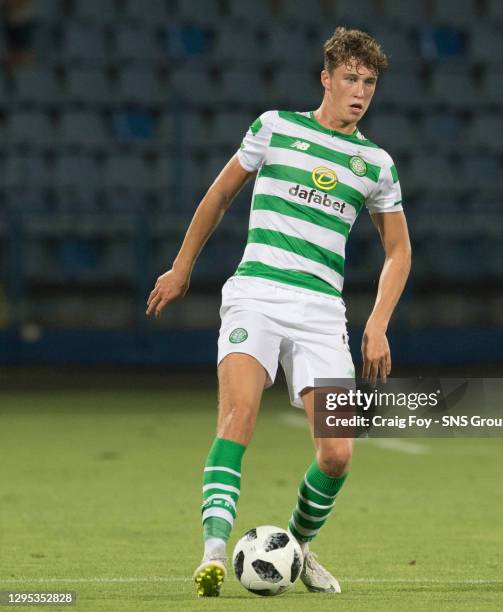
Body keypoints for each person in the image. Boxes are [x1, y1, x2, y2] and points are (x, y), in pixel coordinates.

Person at [146, 26, 411, 597]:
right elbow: (219, 195)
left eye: (369, 83)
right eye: (350, 79)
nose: (359, 91)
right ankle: (214, 551)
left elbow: (399, 250)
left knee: (338, 451)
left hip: (320, 310)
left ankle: (297, 547)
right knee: (238, 418)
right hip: (257, 296)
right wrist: (182, 266)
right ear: (327, 79)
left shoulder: (375, 164)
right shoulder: (274, 127)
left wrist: (378, 322)